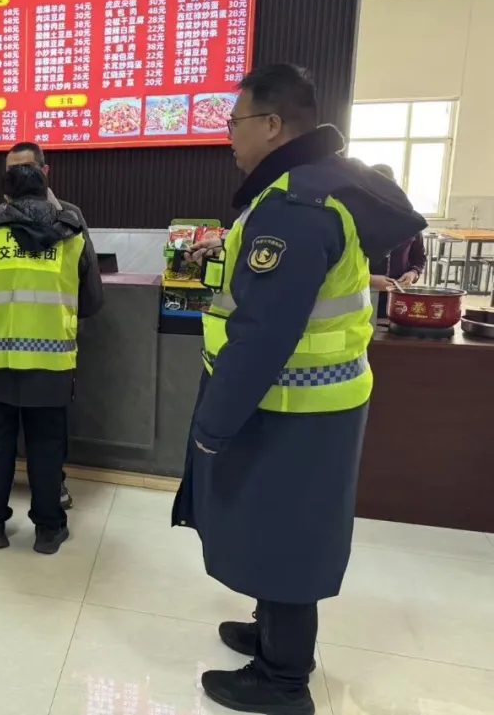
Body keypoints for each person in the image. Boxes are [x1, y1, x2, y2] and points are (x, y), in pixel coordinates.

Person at [172, 64, 425, 714]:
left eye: (235, 122)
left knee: (286, 535)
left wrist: (212, 424)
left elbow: (263, 334)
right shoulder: (310, 187)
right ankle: (270, 633)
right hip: (309, 401)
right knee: (274, 525)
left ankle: (283, 679)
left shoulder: (295, 209)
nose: (229, 136)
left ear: (273, 124)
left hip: (296, 406)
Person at [0, 163, 104, 554]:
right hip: (52, 365)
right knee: (47, 446)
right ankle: (49, 530)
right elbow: (93, 301)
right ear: (46, 191)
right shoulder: (72, 237)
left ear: (7, 197)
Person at [0, 141, 94, 510]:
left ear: (44, 171)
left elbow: (87, 282)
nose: (20, 176)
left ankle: (51, 489)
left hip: (51, 341)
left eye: (26, 168)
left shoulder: (69, 216)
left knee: (47, 434)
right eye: (12, 170)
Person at [368, 163, 427, 317]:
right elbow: (343, 264)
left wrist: (412, 273)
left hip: (398, 294)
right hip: (363, 293)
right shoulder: (357, 220)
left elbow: (419, 257)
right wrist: (370, 279)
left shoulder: (411, 220)